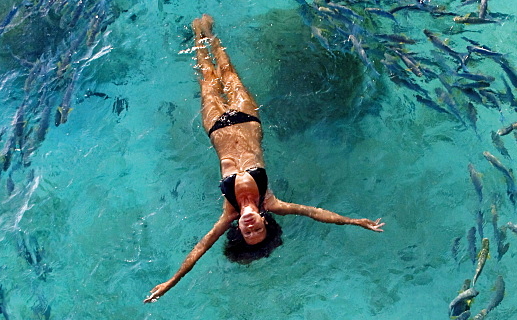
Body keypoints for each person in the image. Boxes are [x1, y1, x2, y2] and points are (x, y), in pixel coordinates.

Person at [144, 15, 384, 303]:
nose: (250, 226)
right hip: (248, 119)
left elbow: (200, 248)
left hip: (216, 126)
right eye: (257, 228)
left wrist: (171, 281)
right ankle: (211, 32)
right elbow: (315, 212)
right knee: (228, 72)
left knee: (207, 79)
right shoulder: (271, 202)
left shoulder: (228, 214)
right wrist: (355, 221)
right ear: (264, 220)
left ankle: (198, 35)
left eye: (247, 232)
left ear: (239, 230)